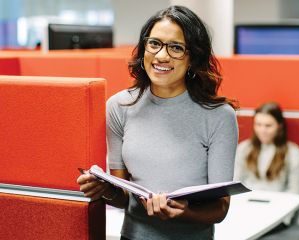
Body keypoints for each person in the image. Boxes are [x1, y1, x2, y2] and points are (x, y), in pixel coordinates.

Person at [77, 5, 238, 240]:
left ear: (193, 57)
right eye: (154, 44)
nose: (162, 55)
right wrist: (105, 190)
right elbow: (123, 196)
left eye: (176, 48)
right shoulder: (119, 107)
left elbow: (220, 208)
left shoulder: (219, 116)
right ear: (144, 49)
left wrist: (185, 211)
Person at [233, 102, 299, 195]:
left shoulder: (293, 153)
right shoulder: (244, 148)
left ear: (279, 126)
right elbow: (236, 184)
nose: (262, 130)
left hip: (279, 205)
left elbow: (295, 192)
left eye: (268, 126)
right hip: (247, 204)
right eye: (258, 125)